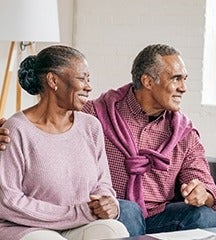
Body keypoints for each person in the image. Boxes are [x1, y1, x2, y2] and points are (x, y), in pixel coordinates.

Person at [0, 44, 216, 236]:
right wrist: (7, 127)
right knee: (128, 210)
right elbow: (49, 119)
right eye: (176, 79)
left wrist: (203, 193)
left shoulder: (184, 133)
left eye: (184, 79)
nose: (184, 87)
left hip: (161, 216)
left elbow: (207, 186)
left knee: (205, 217)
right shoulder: (96, 113)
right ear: (147, 81)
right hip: (115, 212)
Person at [0, 45, 129, 240]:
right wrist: (76, 213)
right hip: (26, 227)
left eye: (89, 79)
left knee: (115, 231)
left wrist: (109, 202)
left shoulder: (91, 126)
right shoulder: (17, 129)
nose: (89, 86)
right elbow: (8, 200)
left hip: (79, 224)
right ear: (53, 80)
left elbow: (103, 184)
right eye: (82, 78)